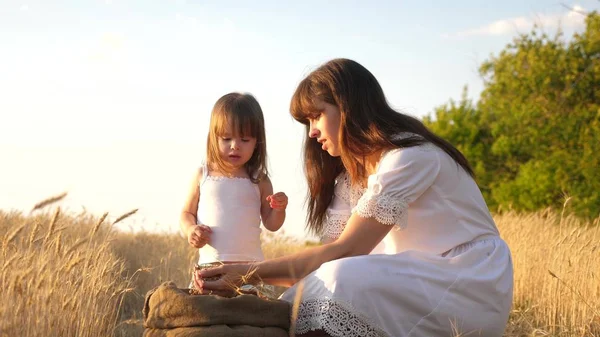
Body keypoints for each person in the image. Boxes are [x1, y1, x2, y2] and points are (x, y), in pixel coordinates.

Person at [194, 59, 514, 337]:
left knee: (338, 279)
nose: (312, 132)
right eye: (307, 122)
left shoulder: (410, 157)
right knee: (304, 295)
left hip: (468, 283)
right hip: (416, 280)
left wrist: (248, 271)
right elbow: (330, 258)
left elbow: (345, 253)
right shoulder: (352, 180)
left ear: (348, 107)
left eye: (317, 116)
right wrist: (246, 281)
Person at [180, 92, 288, 285]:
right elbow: (187, 212)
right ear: (214, 138)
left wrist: (279, 208)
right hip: (210, 268)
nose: (235, 146)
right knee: (206, 314)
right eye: (226, 138)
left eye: (245, 140)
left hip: (250, 270)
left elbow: (272, 224)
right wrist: (191, 230)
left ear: (257, 142)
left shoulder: (259, 179)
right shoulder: (203, 175)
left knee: (250, 313)